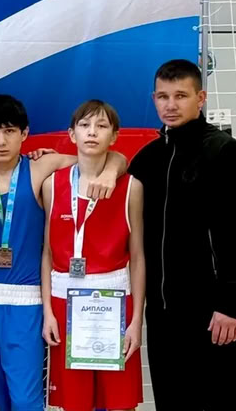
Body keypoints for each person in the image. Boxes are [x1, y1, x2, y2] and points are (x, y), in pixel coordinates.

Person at [0, 94, 127, 411]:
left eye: (9, 131)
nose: (1, 141)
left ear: (25, 133)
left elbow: (104, 154)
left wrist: (110, 172)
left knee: (25, 400)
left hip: (27, 300)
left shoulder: (42, 167)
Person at [128, 59, 236, 411]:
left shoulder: (225, 152)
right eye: (163, 96)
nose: (170, 105)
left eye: (181, 96)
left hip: (211, 314)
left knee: (219, 404)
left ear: (200, 98)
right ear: (154, 99)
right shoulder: (148, 159)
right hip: (162, 314)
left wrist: (231, 304)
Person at [41, 100, 145, 411]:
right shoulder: (51, 184)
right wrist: (48, 312)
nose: (92, 132)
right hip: (65, 302)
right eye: (85, 125)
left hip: (115, 302)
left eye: (101, 126)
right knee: (74, 404)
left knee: (121, 404)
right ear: (71, 134)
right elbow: (47, 253)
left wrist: (136, 321)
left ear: (114, 136)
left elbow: (138, 256)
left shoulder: (131, 187)